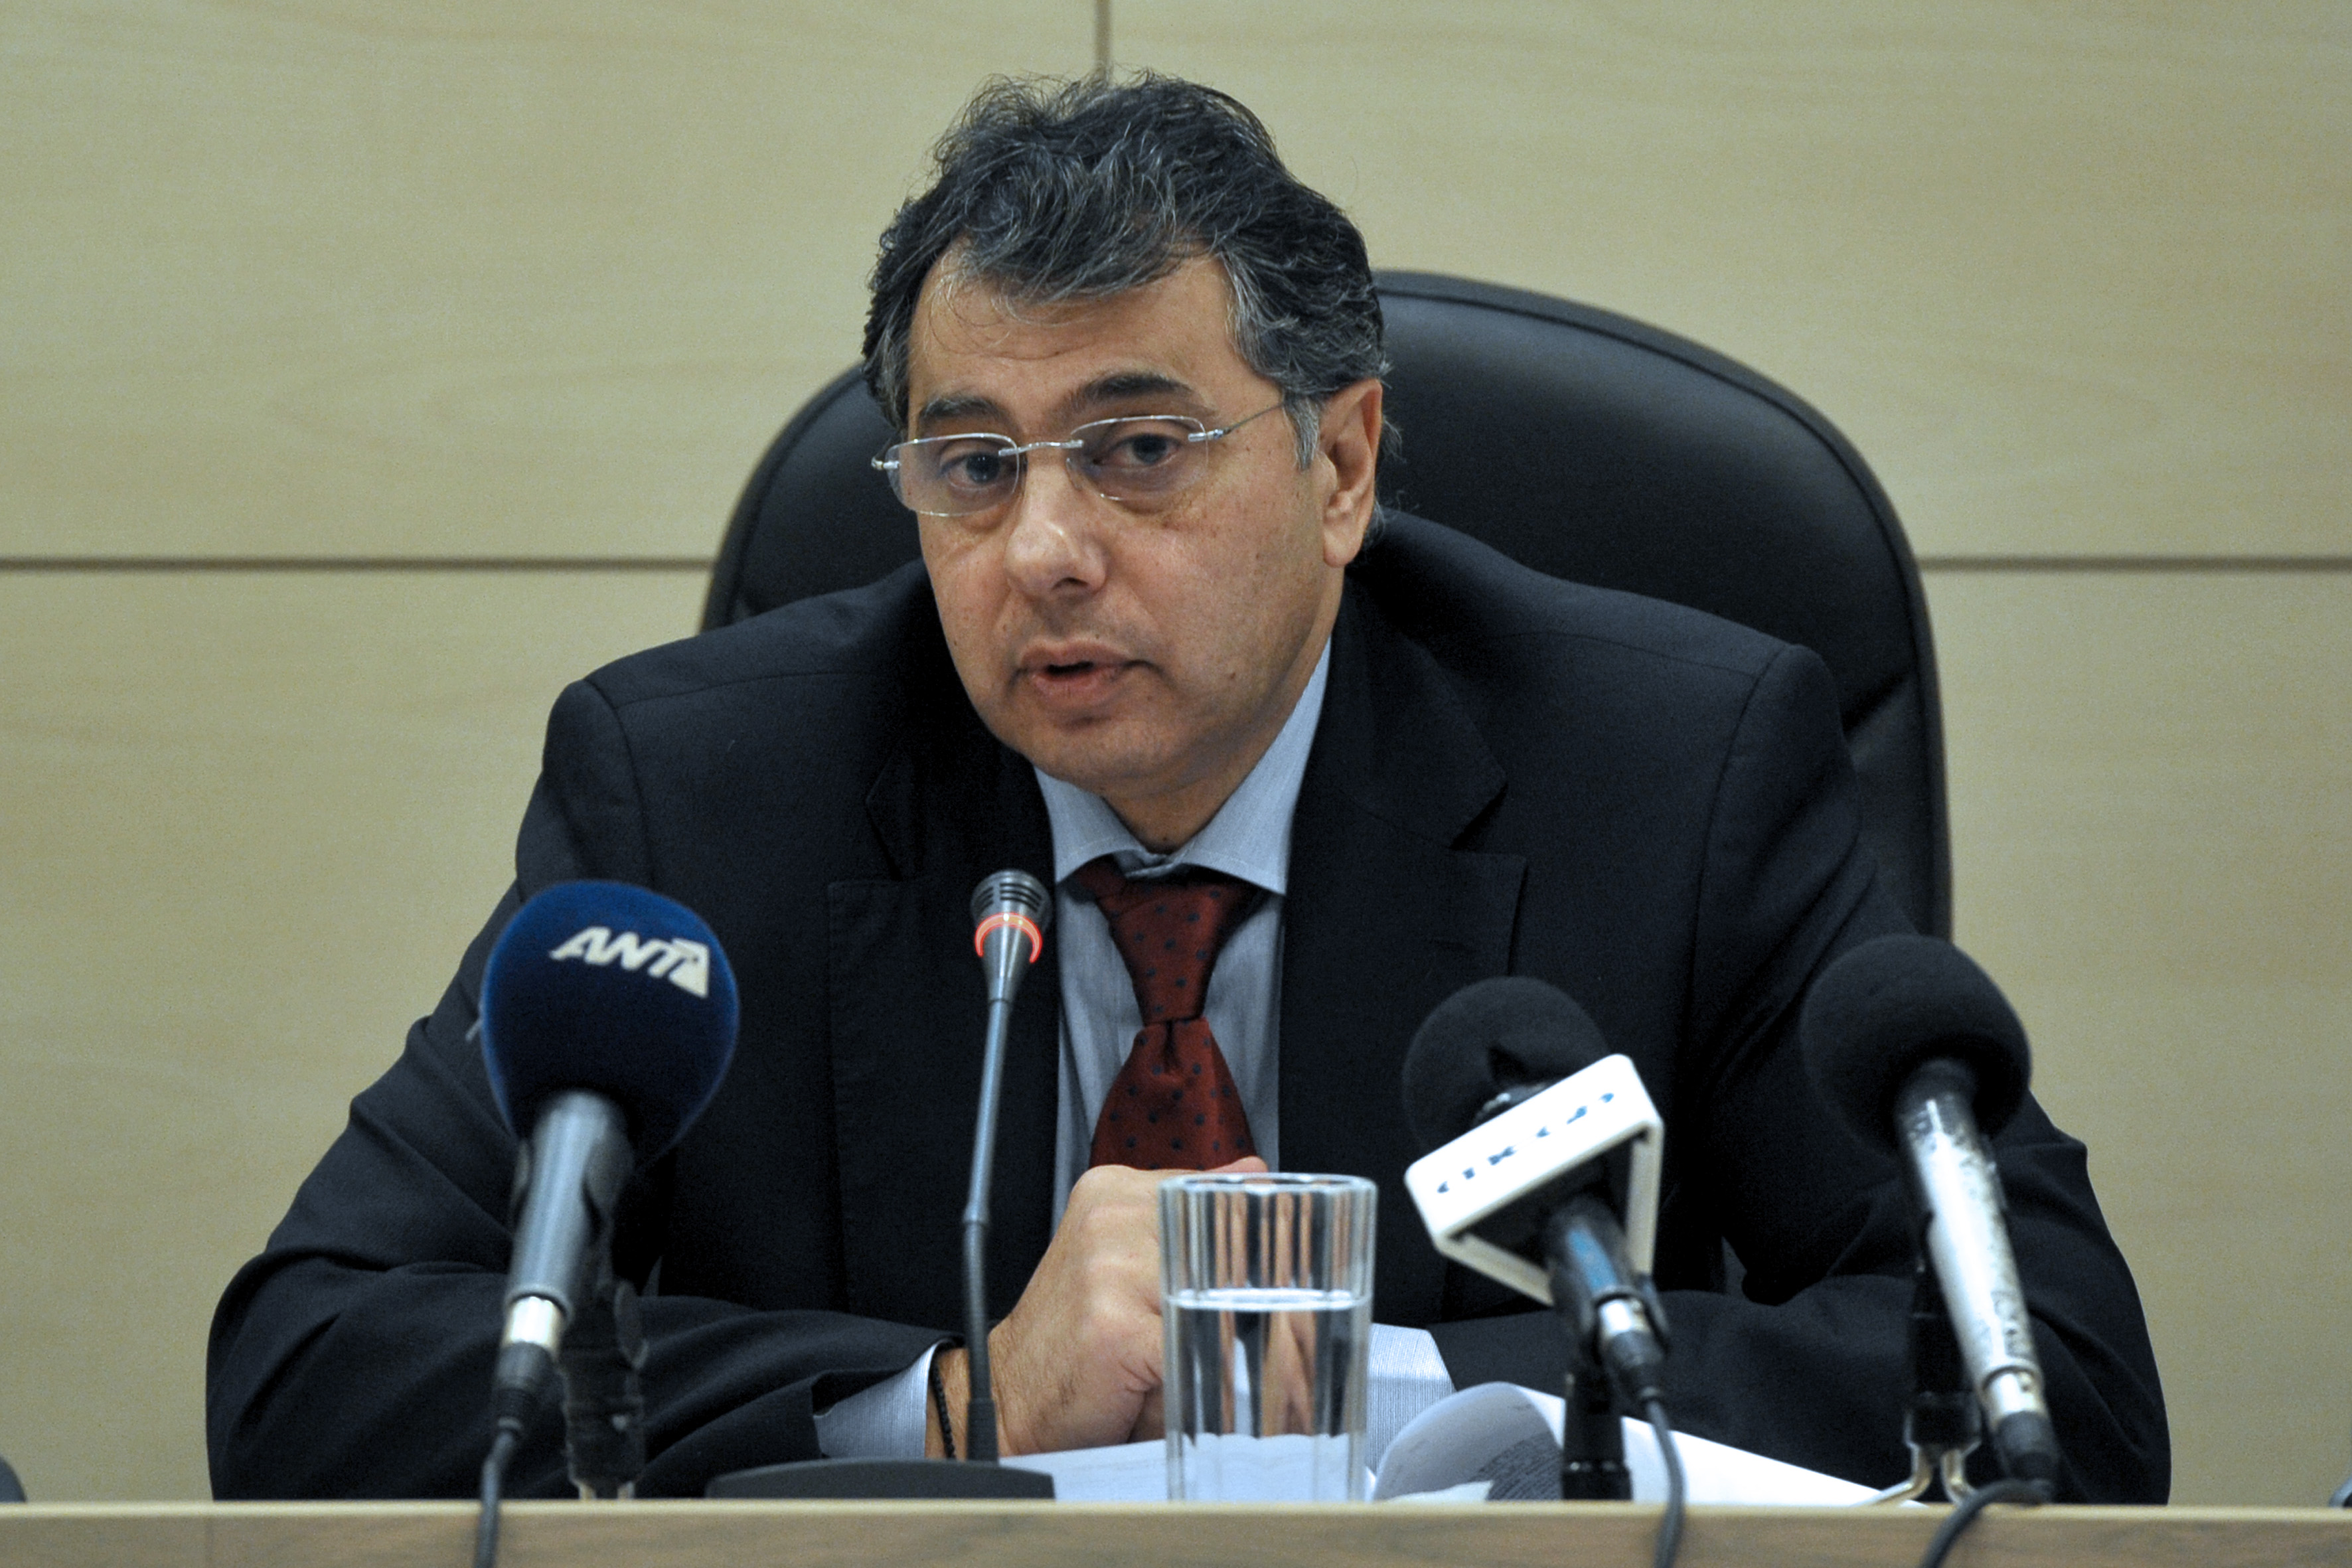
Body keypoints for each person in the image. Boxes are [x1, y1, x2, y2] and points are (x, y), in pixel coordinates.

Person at [206, 73, 2167, 1502]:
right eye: (973, 467)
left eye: (1139, 450)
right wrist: (958, 1402)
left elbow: (2057, 1374)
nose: (1045, 550)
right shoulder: (704, 794)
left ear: (1342, 467)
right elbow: (311, 1367)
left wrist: (1363, 1389)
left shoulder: (1671, 770)